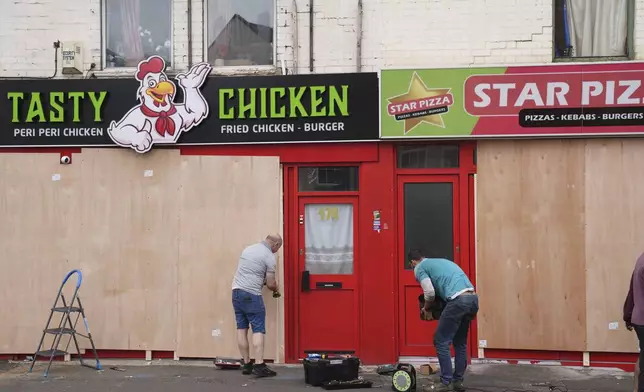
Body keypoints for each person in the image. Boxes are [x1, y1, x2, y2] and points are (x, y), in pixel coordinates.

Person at [408, 249, 478, 392]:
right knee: (460, 343)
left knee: (441, 341)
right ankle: (458, 381)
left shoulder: (420, 267)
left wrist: (427, 308)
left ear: (413, 262)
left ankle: (446, 382)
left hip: (458, 301)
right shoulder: (443, 262)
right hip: (472, 299)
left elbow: (429, 292)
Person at [231, 234, 282, 377]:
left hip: (236, 292)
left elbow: (250, 271)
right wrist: (276, 288)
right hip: (252, 294)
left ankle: (247, 364)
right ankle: (259, 365)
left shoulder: (248, 249)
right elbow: (271, 284)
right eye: (278, 248)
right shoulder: (269, 256)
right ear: (275, 244)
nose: (276, 251)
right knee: (258, 329)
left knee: (241, 328)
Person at [623, 252, 644, 392]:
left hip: (639, 318)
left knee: (643, 357)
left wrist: (628, 314)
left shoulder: (641, 258)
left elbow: (632, 290)